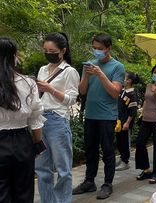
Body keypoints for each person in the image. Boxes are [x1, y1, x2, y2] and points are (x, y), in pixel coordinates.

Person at [73, 34, 125, 200]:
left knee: (108, 151)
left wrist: (100, 74)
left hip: (107, 116)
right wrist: (87, 75)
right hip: (90, 115)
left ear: (108, 48)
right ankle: (89, 181)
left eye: (100, 49)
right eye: (94, 48)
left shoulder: (118, 67)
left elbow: (115, 92)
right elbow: (82, 91)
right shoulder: (89, 65)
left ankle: (107, 184)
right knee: (90, 150)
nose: (96, 52)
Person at [35, 32, 80, 203]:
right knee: (41, 169)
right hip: (39, 120)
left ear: (62, 51)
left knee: (63, 169)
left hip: (57, 120)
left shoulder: (70, 71)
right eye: (46, 50)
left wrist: (51, 89)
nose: (48, 53)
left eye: (52, 50)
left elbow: (71, 99)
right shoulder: (42, 69)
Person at [0, 37, 45, 202]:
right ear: (14, 57)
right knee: (24, 192)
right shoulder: (28, 83)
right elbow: (36, 118)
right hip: (22, 142)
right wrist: (37, 143)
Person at [115, 72, 139, 171]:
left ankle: (126, 161)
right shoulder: (123, 91)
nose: (122, 79)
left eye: (124, 78)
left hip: (125, 122)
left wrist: (127, 123)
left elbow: (133, 111)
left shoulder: (132, 94)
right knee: (119, 140)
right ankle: (122, 157)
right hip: (119, 121)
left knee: (125, 141)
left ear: (129, 81)